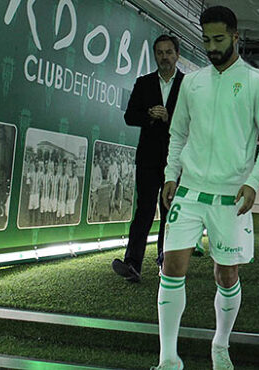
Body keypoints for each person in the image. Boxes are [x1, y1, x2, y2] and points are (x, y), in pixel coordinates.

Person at [153, 6, 259, 370]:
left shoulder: (257, 83)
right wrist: (170, 175)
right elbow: (178, 135)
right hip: (189, 191)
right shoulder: (192, 82)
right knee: (171, 267)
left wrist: (253, 182)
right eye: (206, 39)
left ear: (235, 36)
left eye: (219, 39)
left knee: (227, 274)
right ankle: (169, 358)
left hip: (231, 197)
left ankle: (220, 344)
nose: (211, 46)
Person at [112, 34, 185, 283]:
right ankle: (133, 264)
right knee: (143, 211)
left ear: (177, 55)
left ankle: (166, 263)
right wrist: (150, 115)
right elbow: (130, 116)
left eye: (168, 52)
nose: (164, 57)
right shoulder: (143, 83)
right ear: (155, 55)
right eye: (160, 52)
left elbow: (195, 123)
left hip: (175, 161)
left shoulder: (187, 85)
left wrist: (168, 118)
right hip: (147, 158)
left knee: (170, 214)